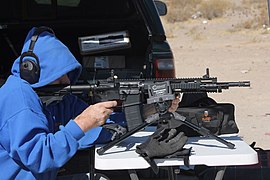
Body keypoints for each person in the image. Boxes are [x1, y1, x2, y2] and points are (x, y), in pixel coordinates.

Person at [0, 26, 180, 179]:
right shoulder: (19, 98)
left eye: (67, 72)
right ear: (33, 71)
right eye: (59, 73)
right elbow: (40, 157)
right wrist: (82, 123)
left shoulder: (57, 99)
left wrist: (148, 112)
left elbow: (102, 127)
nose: (66, 80)